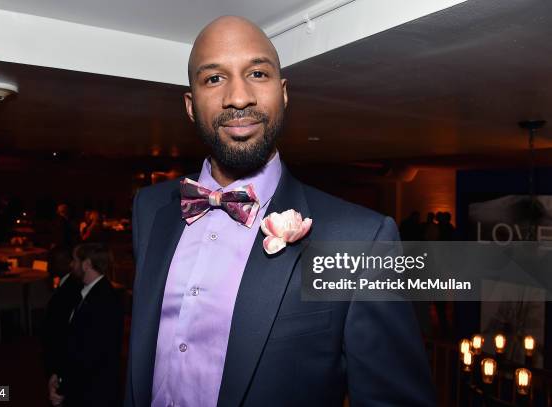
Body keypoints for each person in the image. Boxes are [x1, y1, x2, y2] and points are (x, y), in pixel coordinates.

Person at [125, 16, 434, 407]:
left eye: (257, 73)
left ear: (283, 92)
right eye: (214, 79)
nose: (239, 97)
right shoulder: (150, 209)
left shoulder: (360, 241)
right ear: (190, 105)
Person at [48, 243, 123, 407]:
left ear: (87, 264)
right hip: (85, 388)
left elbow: (88, 353)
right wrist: (58, 373)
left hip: (93, 393)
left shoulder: (103, 300)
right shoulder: (89, 292)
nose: (71, 265)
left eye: (75, 260)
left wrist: (63, 388)